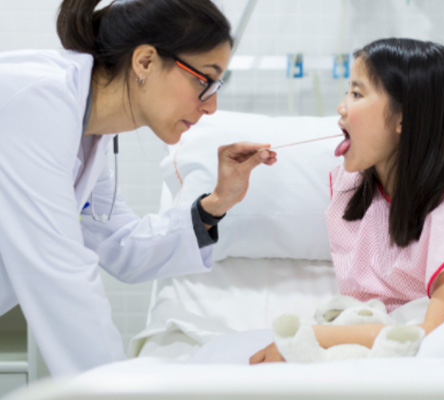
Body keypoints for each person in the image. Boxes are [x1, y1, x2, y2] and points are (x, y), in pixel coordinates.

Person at [0, 0, 277, 376]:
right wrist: (119, 387)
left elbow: (121, 245)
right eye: (204, 80)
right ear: (145, 62)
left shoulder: (87, 133)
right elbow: (60, 273)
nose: (211, 106)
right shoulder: (39, 101)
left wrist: (215, 204)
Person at [249, 38, 444, 363]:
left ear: (405, 118)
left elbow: (434, 333)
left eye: (357, 94)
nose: (342, 107)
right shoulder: (356, 189)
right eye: (347, 92)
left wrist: (316, 337)